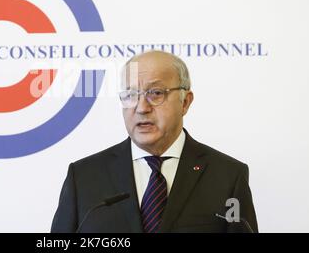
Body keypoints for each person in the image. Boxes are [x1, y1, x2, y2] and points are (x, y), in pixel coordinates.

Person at [51, 50, 258, 233]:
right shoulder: (84, 177)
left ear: (185, 102)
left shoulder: (228, 176)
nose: (141, 108)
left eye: (156, 93)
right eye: (131, 94)